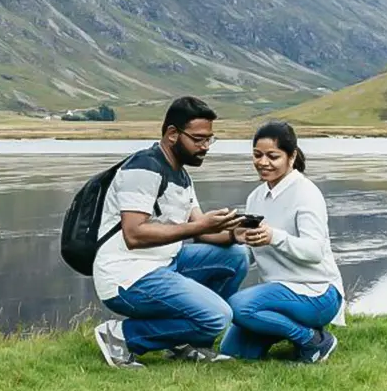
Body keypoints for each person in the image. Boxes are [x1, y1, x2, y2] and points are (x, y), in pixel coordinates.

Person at [92, 96, 250, 368]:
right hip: (127, 276)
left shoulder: (181, 175)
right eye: (199, 139)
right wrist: (201, 226)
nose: (205, 147)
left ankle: (189, 343)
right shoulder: (143, 167)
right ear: (172, 134)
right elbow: (134, 235)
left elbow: (201, 232)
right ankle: (121, 336)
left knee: (237, 257)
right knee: (218, 316)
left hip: (166, 264)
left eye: (210, 139)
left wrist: (235, 233)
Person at [218, 120, 346, 364]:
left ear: (292, 156)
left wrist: (274, 237)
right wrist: (241, 241)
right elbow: (254, 252)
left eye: (272, 156)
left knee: (239, 307)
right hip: (279, 295)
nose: (263, 163)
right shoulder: (255, 197)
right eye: (257, 155)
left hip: (316, 292)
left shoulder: (306, 193)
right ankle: (287, 328)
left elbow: (315, 251)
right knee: (233, 353)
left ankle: (312, 340)